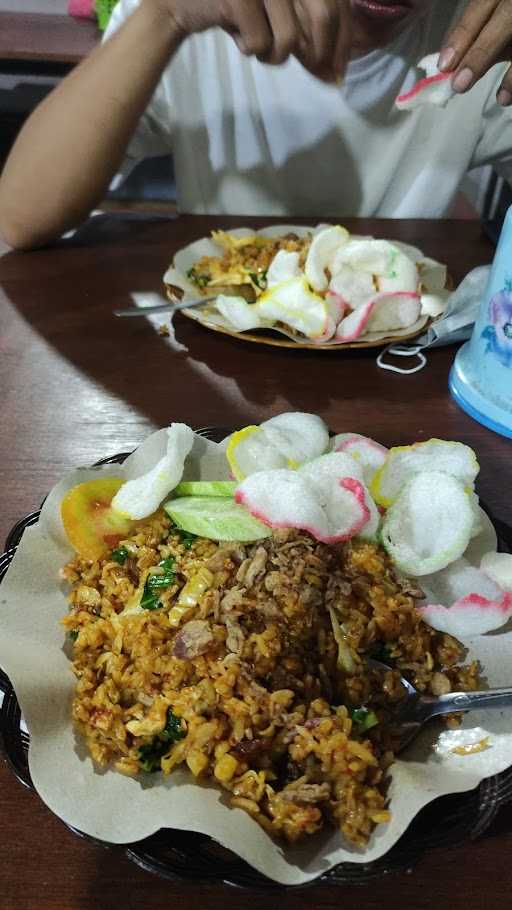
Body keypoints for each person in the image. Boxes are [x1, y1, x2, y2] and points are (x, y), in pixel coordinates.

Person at [1, 0, 512, 250]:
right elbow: (19, 217)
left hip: (403, 370)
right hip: (211, 351)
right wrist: (165, 17)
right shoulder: (191, 16)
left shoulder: (486, 38)